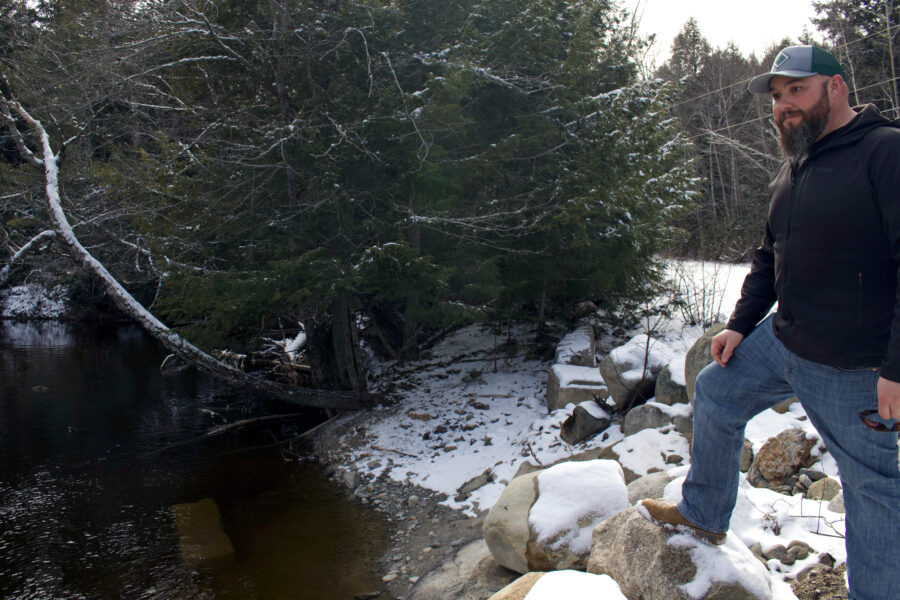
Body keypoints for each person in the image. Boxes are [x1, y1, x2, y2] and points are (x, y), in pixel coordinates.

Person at [642, 45, 900, 600]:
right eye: (777, 97)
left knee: (873, 492)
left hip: (853, 364)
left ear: (835, 87)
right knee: (715, 390)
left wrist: (897, 369)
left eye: (796, 91)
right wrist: (739, 324)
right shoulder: (797, 164)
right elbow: (769, 254)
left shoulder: (885, 152)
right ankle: (704, 511)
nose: (783, 106)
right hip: (784, 340)